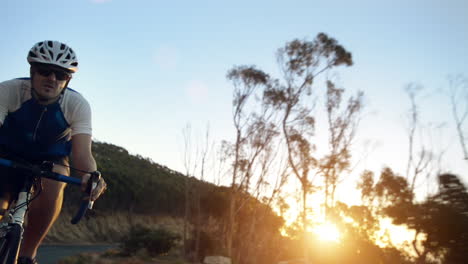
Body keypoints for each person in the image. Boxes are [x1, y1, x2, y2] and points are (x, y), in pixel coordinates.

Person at [0, 40, 107, 264]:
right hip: (7, 152)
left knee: (56, 180)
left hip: (49, 159)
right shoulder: (8, 90)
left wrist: (92, 177)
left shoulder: (77, 105)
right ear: (32, 72)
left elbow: (82, 154)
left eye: (60, 74)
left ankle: (28, 254)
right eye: (44, 71)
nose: (52, 78)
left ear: (68, 80)